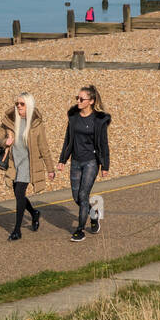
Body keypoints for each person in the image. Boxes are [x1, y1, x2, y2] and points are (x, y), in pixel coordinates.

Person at [0, 92, 57, 241]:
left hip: (28, 163)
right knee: (18, 194)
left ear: (29, 105)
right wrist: (5, 142)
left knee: (20, 193)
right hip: (14, 162)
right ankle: (34, 213)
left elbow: (44, 146)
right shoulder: (10, 120)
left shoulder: (36, 124)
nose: (18, 106)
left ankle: (17, 230)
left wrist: (50, 168)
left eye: (22, 104)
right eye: (17, 104)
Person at [59, 84, 111, 241]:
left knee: (83, 194)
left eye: (82, 99)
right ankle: (93, 214)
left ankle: (79, 230)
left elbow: (103, 144)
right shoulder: (74, 118)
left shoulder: (98, 121)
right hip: (76, 161)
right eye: (77, 98)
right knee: (76, 197)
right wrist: (62, 160)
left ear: (91, 101)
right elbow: (68, 140)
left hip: (91, 162)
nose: (78, 101)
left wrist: (105, 165)